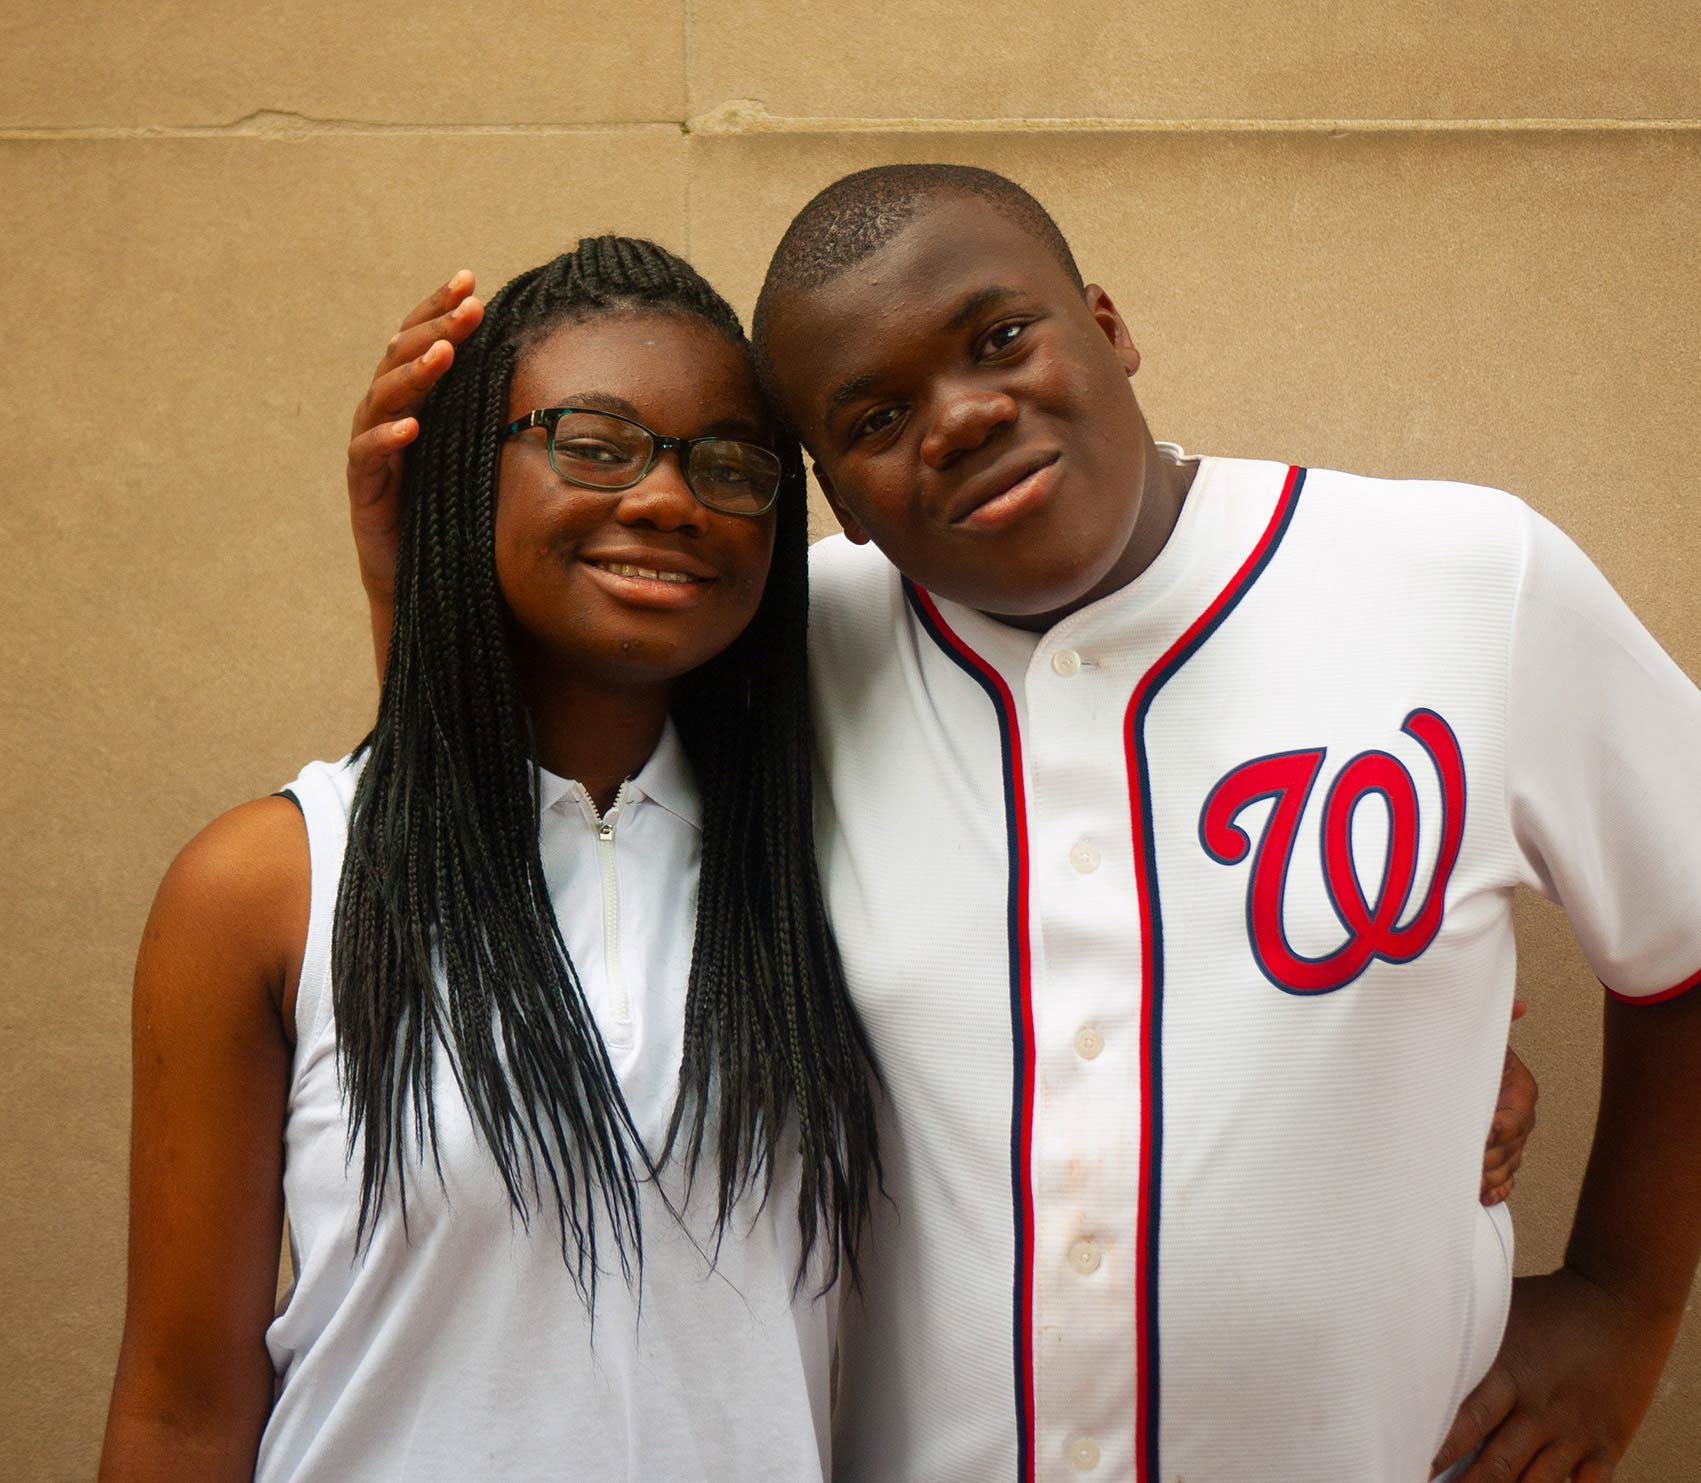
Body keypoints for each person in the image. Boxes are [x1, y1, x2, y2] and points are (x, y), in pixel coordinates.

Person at [341, 188, 1568, 1481]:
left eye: (998, 338)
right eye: (871, 418)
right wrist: (412, 577)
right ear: (838, 499)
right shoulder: (784, 654)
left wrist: (1609, 1286)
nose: (968, 412)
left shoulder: (1452, 574)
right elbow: (511, 813)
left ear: (1106, 323)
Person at [99, 236, 879, 1482]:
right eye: (595, 443)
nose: (671, 498)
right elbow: (183, 1412)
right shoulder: (270, 886)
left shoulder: (831, 869)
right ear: (468, 475)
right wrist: (411, 590)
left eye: (730, 466)